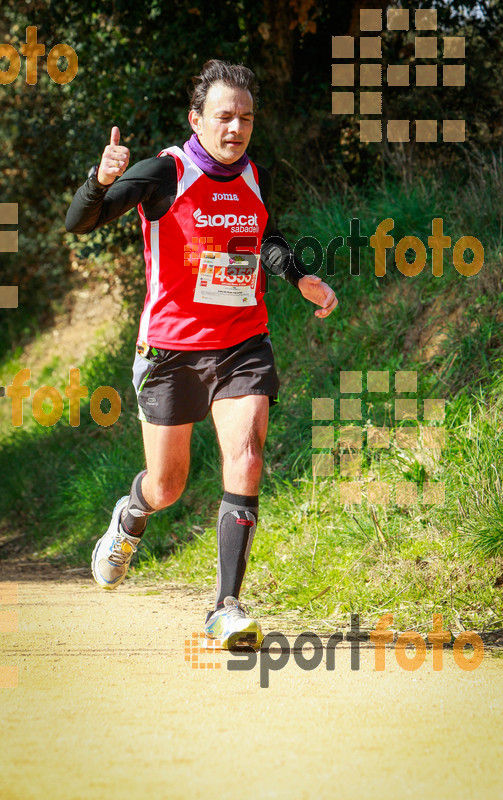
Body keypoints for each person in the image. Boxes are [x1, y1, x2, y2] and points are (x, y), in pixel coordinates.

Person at [65, 59, 338, 651]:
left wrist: (300, 279)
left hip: (242, 342)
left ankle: (226, 606)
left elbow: (263, 237)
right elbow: (80, 222)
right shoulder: (167, 172)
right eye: (224, 116)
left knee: (247, 452)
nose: (236, 127)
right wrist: (99, 179)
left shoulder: (253, 176)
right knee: (168, 485)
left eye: (245, 117)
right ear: (197, 119)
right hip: (172, 351)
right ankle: (131, 516)